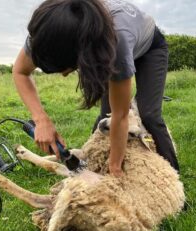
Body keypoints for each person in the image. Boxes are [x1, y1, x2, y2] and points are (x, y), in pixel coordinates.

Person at [12, 0, 179, 177]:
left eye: (66, 68)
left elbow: (120, 115)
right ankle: (90, 164)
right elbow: (20, 72)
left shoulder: (116, 42)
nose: (64, 75)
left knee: (149, 115)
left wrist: (114, 167)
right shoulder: (46, 34)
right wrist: (41, 120)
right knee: (105, 115)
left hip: (149, 48)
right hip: (108, 43)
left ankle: (172, 181)